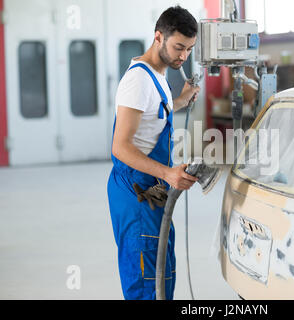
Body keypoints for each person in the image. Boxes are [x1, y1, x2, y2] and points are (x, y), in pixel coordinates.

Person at [107, 6, 201, 300]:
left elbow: (151, 115)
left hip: (153, 192)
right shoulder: (138, 81)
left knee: (161, 277)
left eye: (189, 49)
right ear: (158, 37)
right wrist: (168, 173)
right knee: (147, 284)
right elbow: (120, 147)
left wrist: (180, 101)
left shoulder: (158, 75)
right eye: (178, 47)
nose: (183, 56)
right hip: (137, 193)